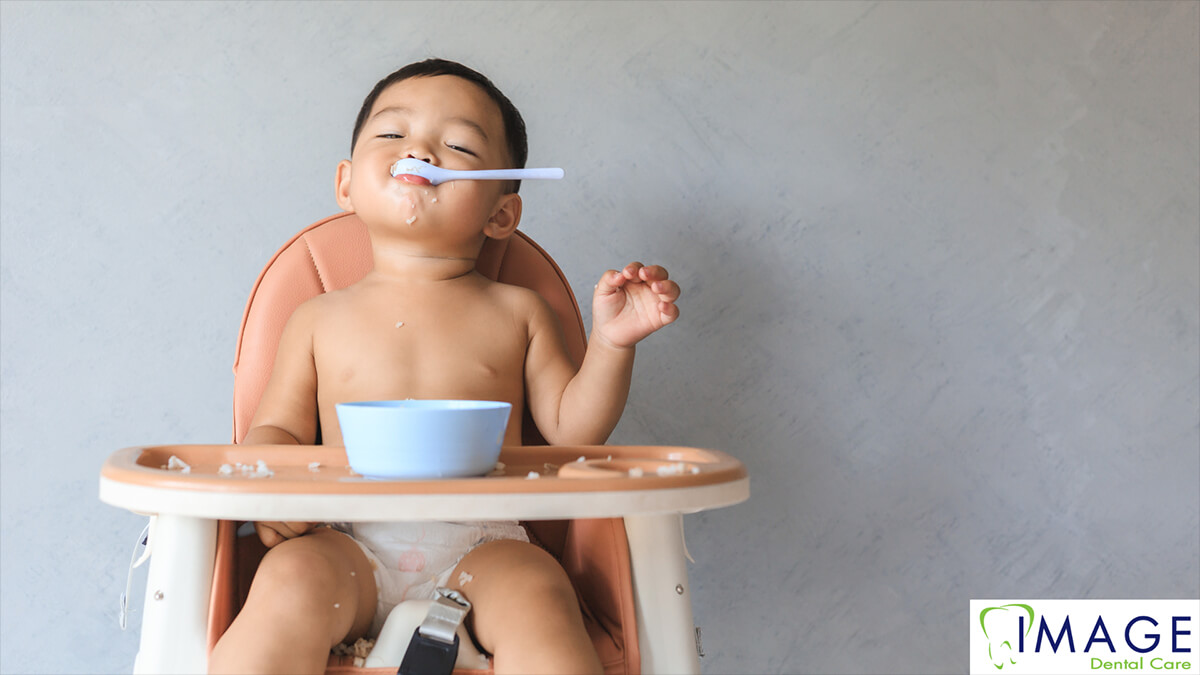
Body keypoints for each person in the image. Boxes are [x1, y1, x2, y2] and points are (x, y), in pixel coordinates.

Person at [208, 58, 681, 675]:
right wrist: (275, 498)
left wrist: (613, 343)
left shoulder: (519, 311)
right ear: (347, 183)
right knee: (289, 578)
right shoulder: (317, 317)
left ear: (501, 214)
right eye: (392, 134)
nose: (421, 150)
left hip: (487, 544)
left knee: (539, 590)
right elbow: (275, 433)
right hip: (346, 540)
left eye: (457, 145)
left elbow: (572, 434)